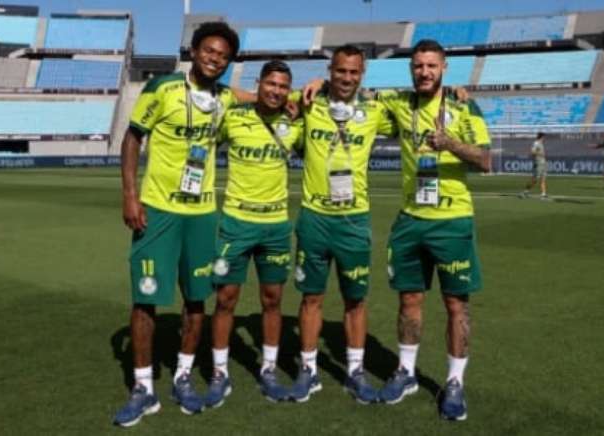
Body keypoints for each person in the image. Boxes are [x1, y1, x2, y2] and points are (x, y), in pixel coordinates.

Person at [113, 22, 255, 426]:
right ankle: (143, 388)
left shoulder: (225, 96)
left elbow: (262, 97)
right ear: (194, 51)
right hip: (157, 209)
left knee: (196, 299)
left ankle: (183, 377)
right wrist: (129, 194)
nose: (215, 59)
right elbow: (132, 137)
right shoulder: (163, 89)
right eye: (209, 51)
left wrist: (305, 90)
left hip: (201, 213)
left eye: (223, 56)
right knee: (145, 298)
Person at [374, 39, 491, 421]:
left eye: (431, 66)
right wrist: (318, 87)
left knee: (456, 305)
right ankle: (406, 372)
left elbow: (486, 160)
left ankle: (454, 382)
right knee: (409, 301)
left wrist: (450, 143)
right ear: (411, 69)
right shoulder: (398, 104)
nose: (424, 72)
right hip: (410, 220)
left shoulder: (464, 105)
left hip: (452, 221)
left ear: (444, 67)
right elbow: (351, 98)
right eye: (418, 66)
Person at [289, 44, 395, 404]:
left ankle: (354, 371)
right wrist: (312, 85)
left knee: (355, 300)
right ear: (330, 71)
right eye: (340, 71)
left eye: (354, 72)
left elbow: (418, 105)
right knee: (311, 297)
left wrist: (452, 92)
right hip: (314, 218)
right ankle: (308, 370)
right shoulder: (308, 101)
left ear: (362, 75)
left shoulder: (376, 110)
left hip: (353, 220)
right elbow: (265, 96)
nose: (347, 78)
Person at [204, 60, 304, 407]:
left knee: (273, 300)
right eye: (271, 84)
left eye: (283, 86)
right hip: (235, 223)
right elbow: (216, 103)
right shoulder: (234, 117)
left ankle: (270, 369)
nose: (276, 91)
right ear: (259, 83)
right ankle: (219, 373)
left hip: (276, 226)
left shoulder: (295, 123)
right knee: (225, 299)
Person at [519, 132, 548, 199]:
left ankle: (543, 194)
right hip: (538, 163)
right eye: (544, 137)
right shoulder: (536, 143)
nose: (544, 139)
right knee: (535, 180)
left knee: (543, 179)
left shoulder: (541, 144)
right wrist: (540, 153)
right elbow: (532, 151)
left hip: (543, 163)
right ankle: (525, 192)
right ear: (541, 137)